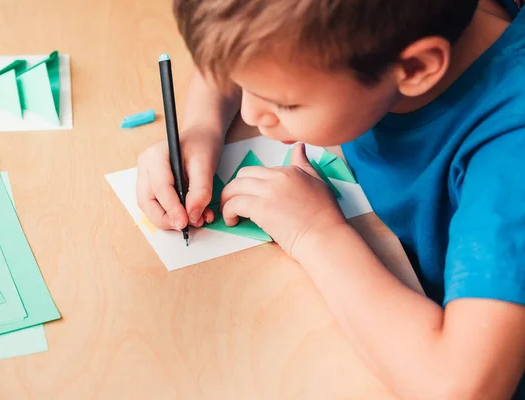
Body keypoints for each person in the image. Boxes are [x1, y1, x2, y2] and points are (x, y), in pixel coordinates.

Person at [136, 0, 525, 398]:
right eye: (245, 87)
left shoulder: (511, 155)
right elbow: (251, 50)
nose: (252, 113)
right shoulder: (367, 39)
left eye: (284, 103)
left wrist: (315, 232)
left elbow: (460, 387)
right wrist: (202, 126)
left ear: (415, 69)